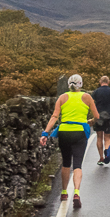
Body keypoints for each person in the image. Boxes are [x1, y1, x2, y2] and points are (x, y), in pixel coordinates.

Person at [39, 74, 100, 209]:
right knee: (77, 164)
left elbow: (55, 116)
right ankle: (76, 192)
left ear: (68, 84)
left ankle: (64, 192)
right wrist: (90, 122)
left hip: (64, 131)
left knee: (66, 162)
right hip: (79, 132)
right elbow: (97, 116)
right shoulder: (87, 97)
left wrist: (45, 133)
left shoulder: (62, 97)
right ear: (81, 84)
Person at [91, 75, 110, 165]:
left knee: (99, 137)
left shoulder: (96, 92)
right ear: (108, 82)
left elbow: (91, 104)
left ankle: (101, 158)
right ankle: (107, 154)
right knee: (107, 138)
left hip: (99, 116)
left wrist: (94, 113)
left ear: (100, 82)